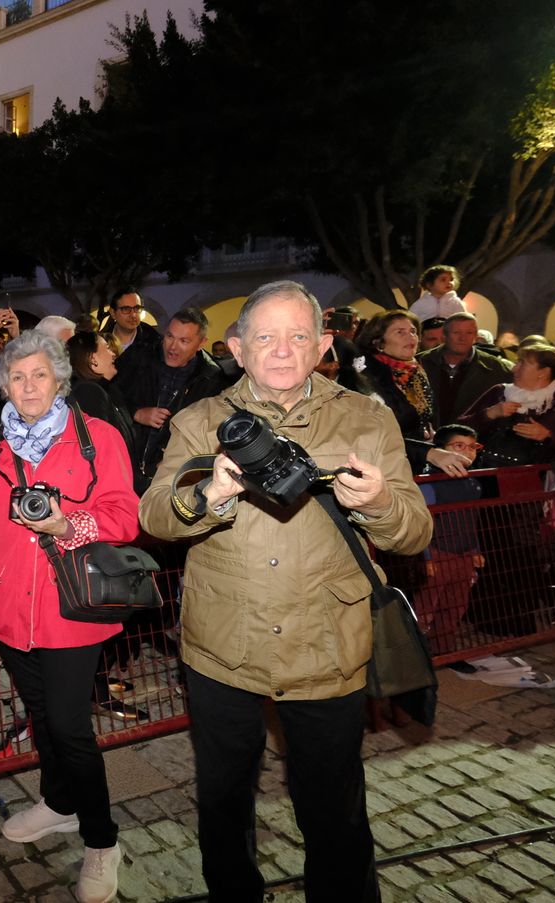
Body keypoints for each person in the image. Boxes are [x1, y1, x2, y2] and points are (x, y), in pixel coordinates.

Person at [141, 279, 432, 902]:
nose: (281, 350)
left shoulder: (366, 417)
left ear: (324, 345)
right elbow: (154, 517)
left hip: (326, 646)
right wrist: (208, 494)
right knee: (223, 804)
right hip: (223, 648)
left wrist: (380, 502)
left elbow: (414, 533)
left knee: (334, 810)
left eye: (298, 336)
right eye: (265, 337)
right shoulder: (200, 421)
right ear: (236, 348)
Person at [0, 330, 137, 903]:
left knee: (69, 725)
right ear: (4, 386)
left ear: (60, 378)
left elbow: (124, 516)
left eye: (39, 374)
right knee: (41, 713)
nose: (29, 386)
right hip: (7, 600)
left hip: (73, 604)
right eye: (17, 377)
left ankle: (101, 839)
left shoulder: (98, 438)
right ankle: (59, 801)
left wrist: (68, 524)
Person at [114, 306, 231, 491]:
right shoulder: (138, 357)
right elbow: (107, 397)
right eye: (169, 336)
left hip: (170, 477)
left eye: (184, 341)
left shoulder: (212, 379)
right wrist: (135, 413)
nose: (173, 347)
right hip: (123, 466)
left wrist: (173, 459)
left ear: (201, 343)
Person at [458, 343, 555, 464]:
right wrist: (490, 414)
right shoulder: (499, 392)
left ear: (543, 372)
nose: (513, 368)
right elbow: (455, 431)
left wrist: (549, 436)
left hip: (539, 488)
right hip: (489, 479)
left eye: (522, 363)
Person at [415, 425, 486, 651]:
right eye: (458, 446)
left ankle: (443, 649)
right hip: (438, 551)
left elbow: (471, 519)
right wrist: (426, 557)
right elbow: (424, 522)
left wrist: (474, 550)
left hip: (462, 553)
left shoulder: (473, 481)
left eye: (472, 447)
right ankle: (414, 652)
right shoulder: (430, 482)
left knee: (455, 604)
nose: (467, 452)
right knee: (425, 607)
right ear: (441, 450)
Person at [354, 311, 436, 468]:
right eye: (400, 332)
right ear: (379, 343)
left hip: (418, 463)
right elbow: (372, 436)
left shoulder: (417, 372)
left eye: (413, 331)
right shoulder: (365, 376)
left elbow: (428, 417)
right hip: (383, 466)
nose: (410, 336)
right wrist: (425, 452)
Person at [417, 312, 511, 429]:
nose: (463, 338)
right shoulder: (420, 362)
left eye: (469, 333)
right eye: (457, 332)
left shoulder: (497, 369)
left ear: (476, 336)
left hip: (473, 440)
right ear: (445, 335)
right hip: (425, 438)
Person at [66, 331, 134, 455]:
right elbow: (103, 447)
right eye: (107, 348)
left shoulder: (110, 390)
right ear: (92, 358)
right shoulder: (88, 392)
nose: (113, 354)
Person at [104, 289, 161, 358]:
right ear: (113, 313)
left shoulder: (154, 341)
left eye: (137, 308)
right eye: (126, 309)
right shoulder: (101, 342)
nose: (133, 315)